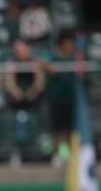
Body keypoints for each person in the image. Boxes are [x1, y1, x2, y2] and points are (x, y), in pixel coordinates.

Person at [40, 30, 76, 166]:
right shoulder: (52, 56)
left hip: (70, 98)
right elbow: (40, 60)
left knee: (68, 128)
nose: (70, 45)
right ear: (62, 43)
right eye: (68, 42)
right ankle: (56, 154)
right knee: (57, 128)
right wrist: (49, 67)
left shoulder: (72, 58)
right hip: (55, 97)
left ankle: (66, 154)